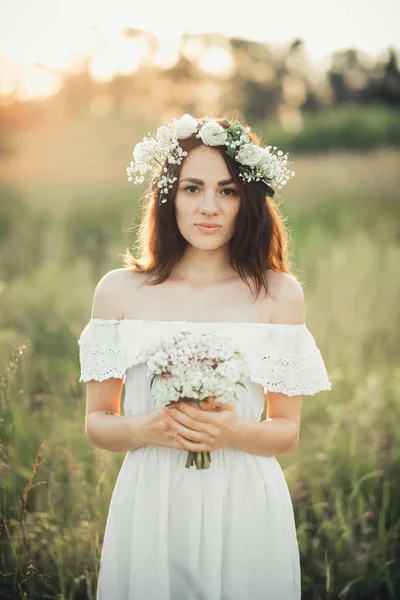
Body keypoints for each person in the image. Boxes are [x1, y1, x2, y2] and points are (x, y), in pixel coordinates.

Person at [78, 114, 331, 600]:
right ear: (168, 196)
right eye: (193, 189)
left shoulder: (279, 294)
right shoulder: (119, 292)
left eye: (229, 190)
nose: (210, 207)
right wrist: (146, 428)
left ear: (248, 199)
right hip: (152, 499)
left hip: (244, 500)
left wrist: (234, 431)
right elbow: (96, 423)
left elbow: (286, 431)